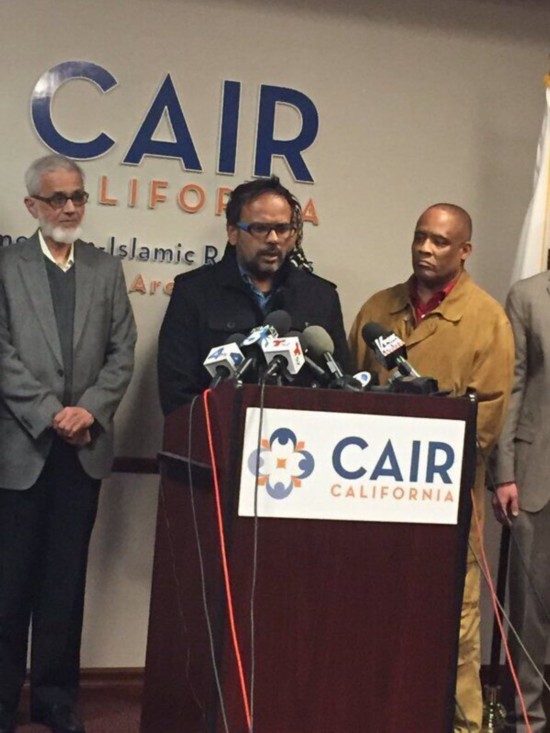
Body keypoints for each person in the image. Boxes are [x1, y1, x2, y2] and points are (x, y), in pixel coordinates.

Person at [348, 203, 514, 733]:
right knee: (370, 612)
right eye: (421, 236)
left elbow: (489, 417)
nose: (425, 248)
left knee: (453, 624)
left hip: (445, 501)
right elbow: (346, 396)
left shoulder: (487, 319)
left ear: (464, 251)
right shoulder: (378, 309)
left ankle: (463, 726)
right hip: (370, 498)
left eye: (440, 241)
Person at [0, 154, 136, 733]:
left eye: (78, 196)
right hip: (20, 452)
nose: (71, 207)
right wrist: (50, 414)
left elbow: (122, 352)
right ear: (32, 205)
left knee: (64, 584)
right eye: (57, 198)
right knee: (9, 586)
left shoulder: (106, 269)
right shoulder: (7, 267)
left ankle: (56, 699)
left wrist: (90, 411)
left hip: (82, 452)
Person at [158, 175, 350, 415]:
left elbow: (341, 390)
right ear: (233, 232)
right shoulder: (194, 292)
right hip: (217, 432)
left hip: (298, 435)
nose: (273, 239)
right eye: (260, 228)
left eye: (282, 229)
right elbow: (177, 392)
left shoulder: (321, 297)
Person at [491, 270, 550, 733]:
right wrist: (505, 470)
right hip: (535, 474)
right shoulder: (529, 296)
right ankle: (527, 717)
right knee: (530, 610)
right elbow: (510, 387)